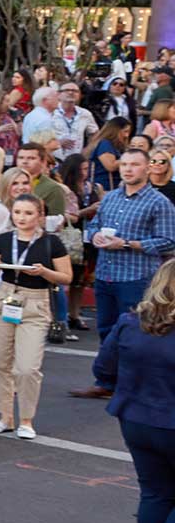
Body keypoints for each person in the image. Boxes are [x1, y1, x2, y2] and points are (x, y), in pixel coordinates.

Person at [93, 260, 175, 523]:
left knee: (155, 492)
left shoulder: (130, 321)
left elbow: (103, 367)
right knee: (158, 492)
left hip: (134, 419)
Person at [75, 146, 175, 388]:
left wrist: (128, 244)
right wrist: (96, 235)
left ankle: (130, 384)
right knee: (106, 331)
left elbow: (168, 241)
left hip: (136, 277)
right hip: (106, 274)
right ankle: (106, 382)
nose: (128, 169)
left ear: (147, 167)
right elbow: (92, 226)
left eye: (134, 164)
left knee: (135, 333)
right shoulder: (110, 197)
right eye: (124, 165)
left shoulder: (159, 203)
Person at [0, 190, 67, 438]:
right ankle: (4, 417)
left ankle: (26, 420)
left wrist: (44, 272)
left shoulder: (52, 242)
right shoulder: (4, 239)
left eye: (28, 213)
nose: (22, 218)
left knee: (27, 367)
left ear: (40, 216)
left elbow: (66, 276)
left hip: (35, 301)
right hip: (3, 297)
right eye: (17, 212)